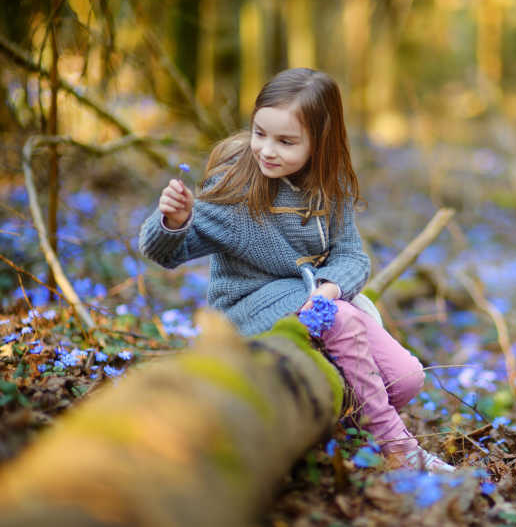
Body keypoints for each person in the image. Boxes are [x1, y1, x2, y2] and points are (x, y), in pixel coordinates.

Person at [139, 68, 454, 473]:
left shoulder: (329, 188)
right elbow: (167, 253)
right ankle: (400, 451)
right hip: (249, 307)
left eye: (286, 141)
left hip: (316, 300)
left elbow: (352, 256)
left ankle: (346, 434)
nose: (267, 150)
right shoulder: (237, 186)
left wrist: (330, 287)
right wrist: (175, 220)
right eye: (260, 133)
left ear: (319, 144)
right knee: (341, 320)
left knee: (407, 377)